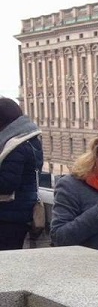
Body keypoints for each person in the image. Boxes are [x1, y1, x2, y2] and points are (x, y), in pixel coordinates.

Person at [0, 98, 44, 250]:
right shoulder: (27, 140)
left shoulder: (16, 146)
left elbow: (7, 183)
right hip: (16, 214)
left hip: (9, 216)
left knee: (6, 263)